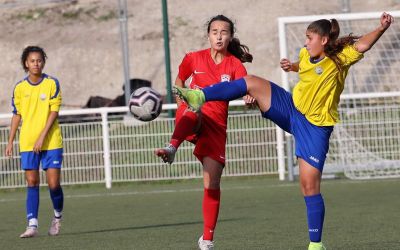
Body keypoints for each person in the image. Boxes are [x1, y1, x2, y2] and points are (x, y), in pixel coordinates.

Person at [173, 12, 394, 250]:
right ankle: (200, 95)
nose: (305, 42)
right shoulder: (305, 54)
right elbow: (306, 65)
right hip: (290, 108)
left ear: (323, 41)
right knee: (251, 82)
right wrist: (293, 67)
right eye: (306, 38)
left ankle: (316, 245)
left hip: (315, 128)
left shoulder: (340, 58)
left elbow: (362, 45)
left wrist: (381, 28)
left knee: (309, 186)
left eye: (310, 38)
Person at [155, 15, 253, 249]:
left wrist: (250, 97)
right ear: (208, 35)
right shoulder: (193, 58)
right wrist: (182, 100)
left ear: (230, 36)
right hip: (192, 117)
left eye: (224, 32)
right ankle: (172, 146)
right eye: (214, 31)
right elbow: (179, 81)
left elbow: (247, 89)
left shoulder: (235, 65)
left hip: (216, 127)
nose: (219, 36)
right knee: (194, 109)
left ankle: (207, 239)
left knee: (212, 183)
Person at [5, 46, 64, 238]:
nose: (36, 64)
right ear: (26, 64)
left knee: (53, 184)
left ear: (43, 62)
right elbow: (17, 115)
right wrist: (10, 140)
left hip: (51, 141)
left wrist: (42, 136)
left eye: (39, 60)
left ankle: (57, 217)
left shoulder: (52, 83)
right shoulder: (20, 88)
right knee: (32, 181)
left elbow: (54, 112)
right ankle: (32, 225)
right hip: (28, 141)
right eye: (32, 61)